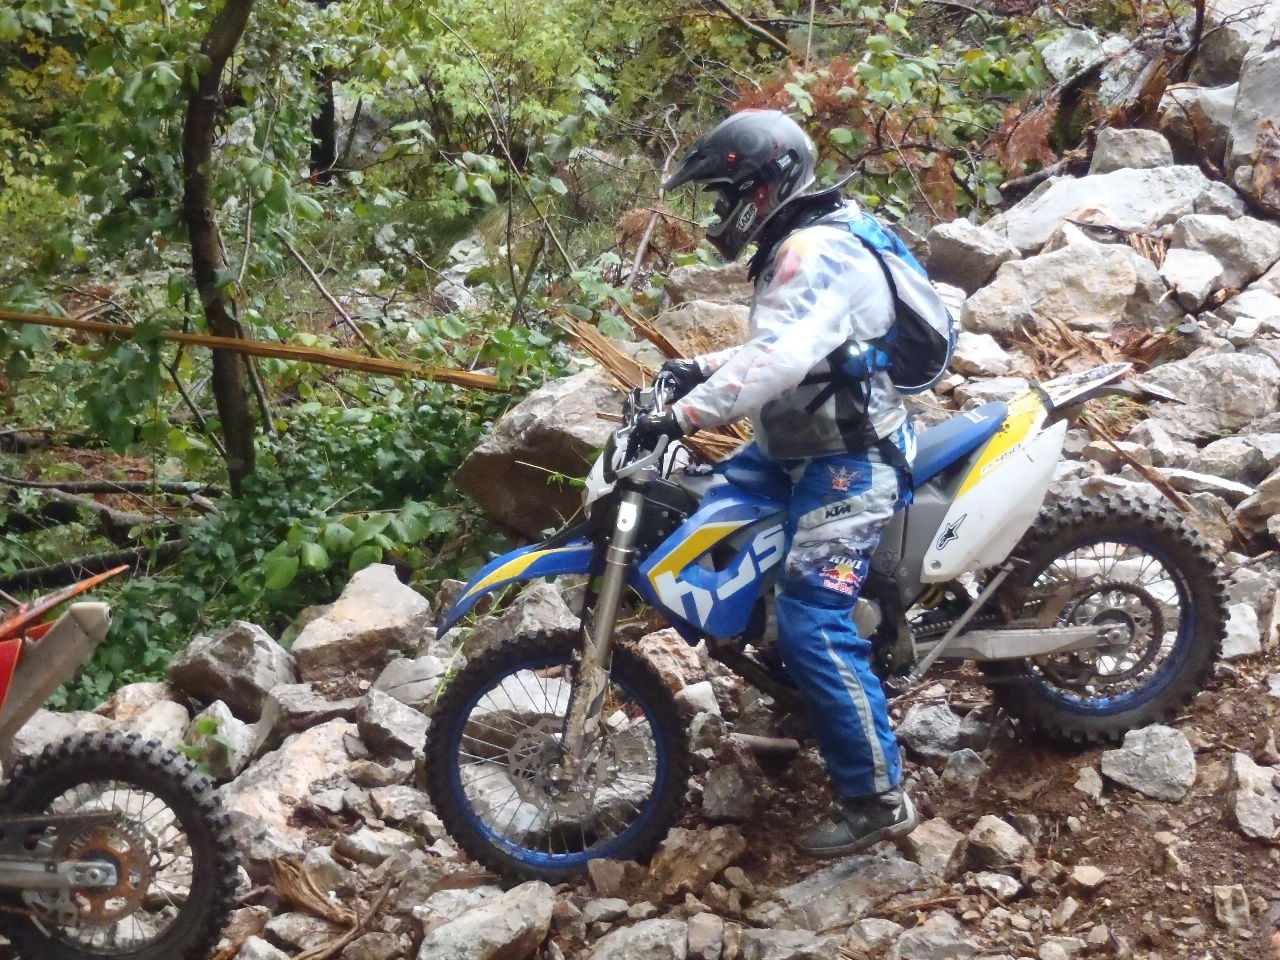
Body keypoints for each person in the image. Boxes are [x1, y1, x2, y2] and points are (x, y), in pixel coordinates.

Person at [634, 109, 921, 856]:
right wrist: (695, 370)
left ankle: (878, 796)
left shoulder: (812, 249)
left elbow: (784, 358)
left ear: (764, 186)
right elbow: (794, 341)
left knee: (811, 618)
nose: (719, 213)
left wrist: (686, 415)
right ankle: (802, 689)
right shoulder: (804, 239)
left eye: (726, 195)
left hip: (848, 459)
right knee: (709, 521)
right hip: (792, 447)